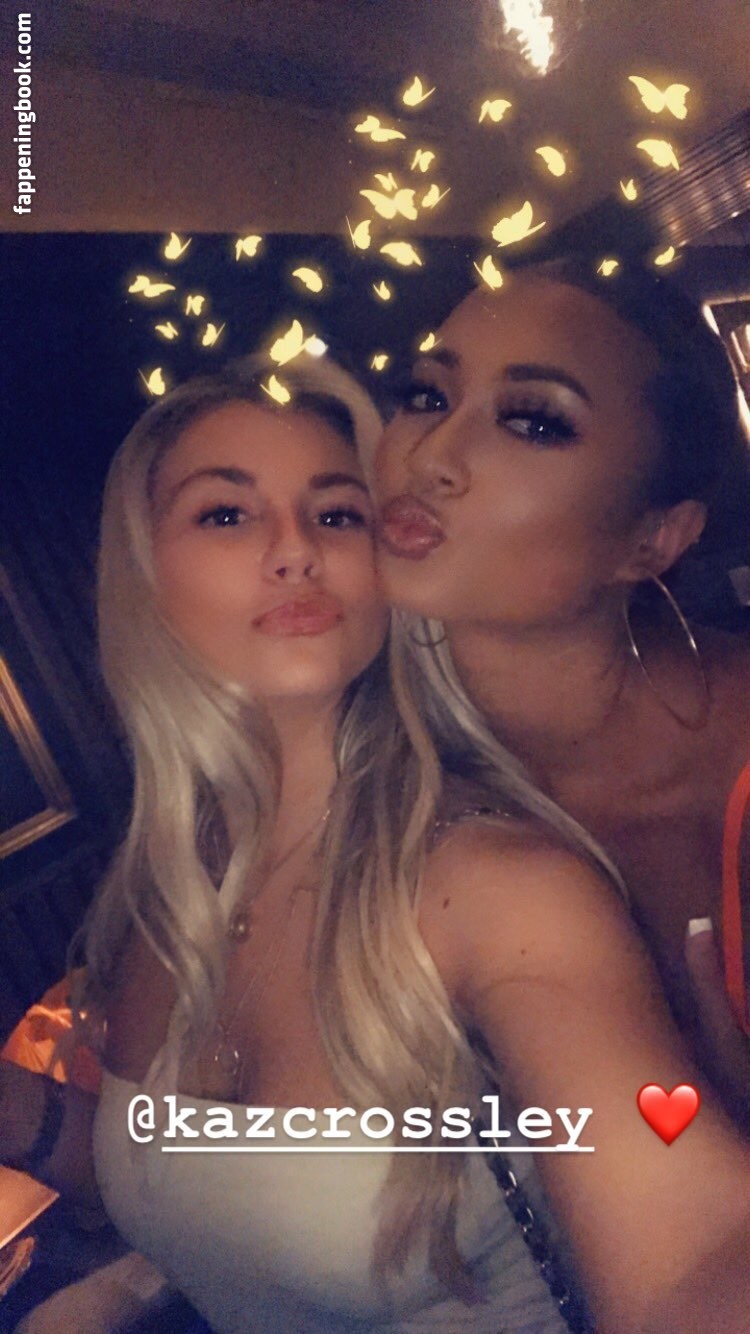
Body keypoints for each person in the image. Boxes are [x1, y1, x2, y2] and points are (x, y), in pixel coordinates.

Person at [3, 349, 750, 1334]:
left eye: (337, 513)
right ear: (146, 580)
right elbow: (188, 1175)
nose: (295, 550)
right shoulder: (164, 895)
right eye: (226, 514)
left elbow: (690, 1257)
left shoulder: (493, 886)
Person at [374, 254, 750, 1130]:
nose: (430, 456)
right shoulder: (352, 783)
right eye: (428, 395)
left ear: (655, 538)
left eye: (533, 421)